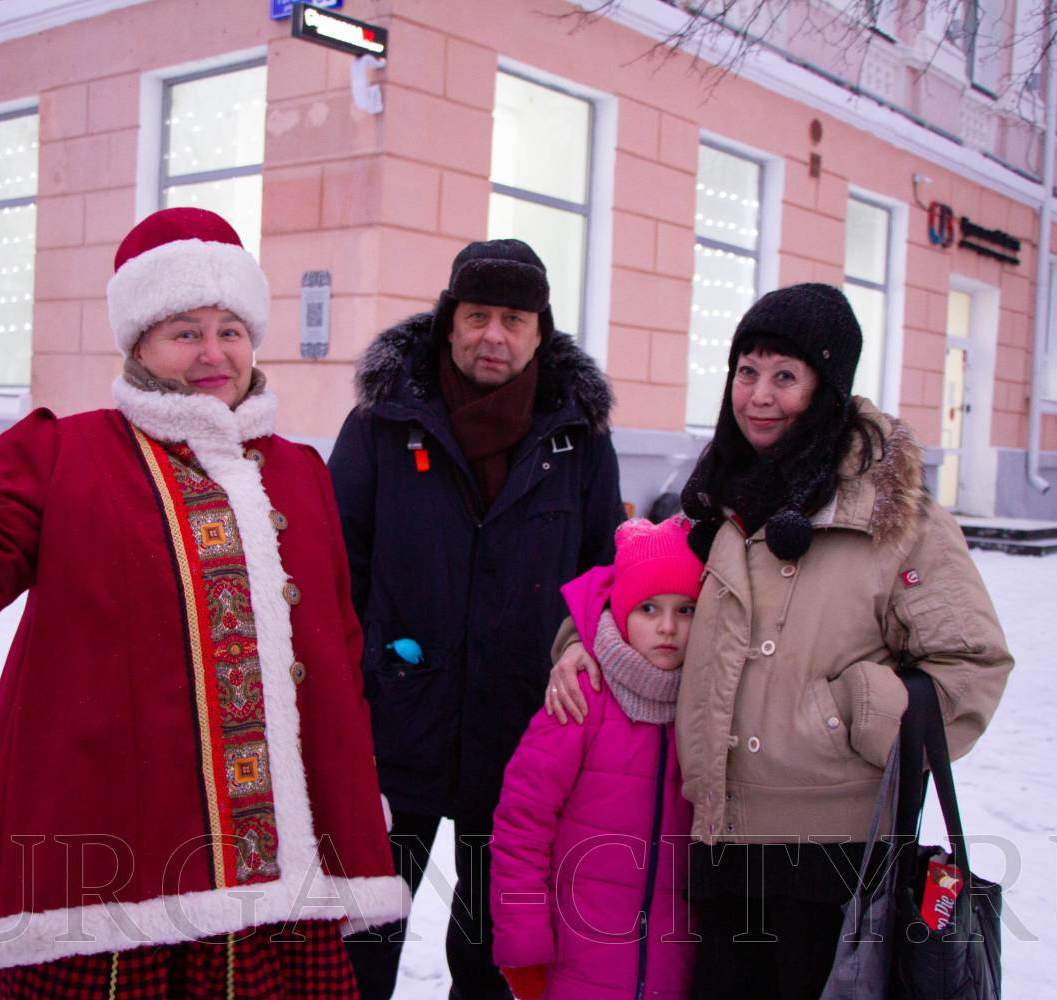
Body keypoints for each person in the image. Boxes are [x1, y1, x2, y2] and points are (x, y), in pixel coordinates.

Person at [0, 207, 409, 997]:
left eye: (230, 330)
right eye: (185, 331)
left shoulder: (298, 473)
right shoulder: (65, 452)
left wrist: (350, 792)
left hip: (277, 875)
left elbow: (333, 649)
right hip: (105, 868)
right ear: (139, 345)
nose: (213, 353)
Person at [546, 282, 1013, 999]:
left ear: (827, 388)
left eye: (785, 376)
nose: (759, 396)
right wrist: (582, 640)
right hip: (717, 845)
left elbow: (972, 666)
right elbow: (628, 593)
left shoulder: (895, 515)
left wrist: (846, 713)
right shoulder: (714, 500)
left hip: (837, 858)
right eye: (747, 371)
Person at [328, 238, 626, 999]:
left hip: (522, 730)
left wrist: (578, 658)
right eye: (478, 316)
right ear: (448, 321)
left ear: (540, 331)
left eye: (514, 320)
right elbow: (336, 567)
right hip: (393, 725)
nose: (494, 335)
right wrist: (354, 683)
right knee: (364, 935)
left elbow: (602, 573)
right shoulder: (383, 422)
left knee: (492, 946)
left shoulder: (579, 437)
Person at [490, 516, 701, 1000]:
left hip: (673, 969)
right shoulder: (580, 698)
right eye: (648, 608)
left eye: (686, 610)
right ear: (622, 611)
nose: (668, 627)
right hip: (576, 964)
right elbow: (521, 827)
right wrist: (524, 945)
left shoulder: (703, 711)